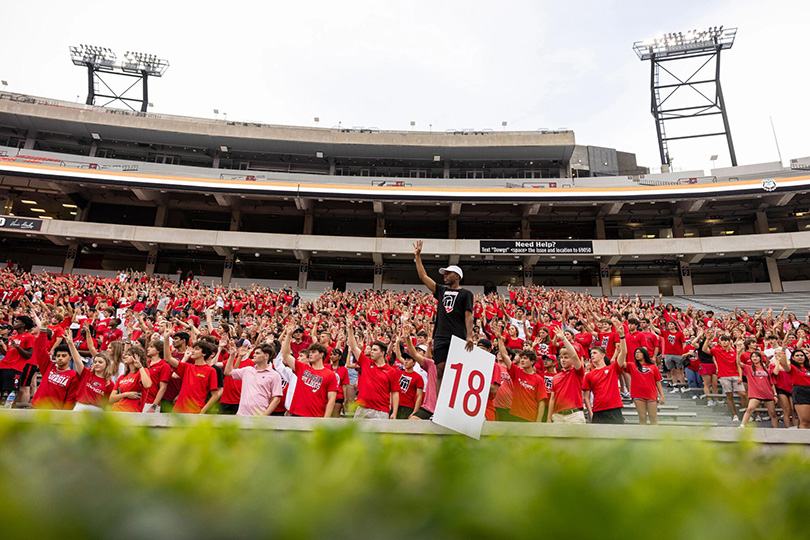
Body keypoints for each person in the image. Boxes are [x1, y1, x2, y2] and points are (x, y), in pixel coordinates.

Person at [413, 240, 475, 381]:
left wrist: (469, 336)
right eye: (444, 274)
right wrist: (417, 256)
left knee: (455, 371)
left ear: (457, 276)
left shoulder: (466, 294)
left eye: (448, 273)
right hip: (440, 336)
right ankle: (439, 402)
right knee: (439, 371)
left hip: (457, 336)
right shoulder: (441, 290)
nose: (445, 276)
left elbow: (468, 316)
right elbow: (423, 277)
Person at [346, 317, 399, 419]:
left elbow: (395, 393)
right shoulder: (366, 362)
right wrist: (349, 328)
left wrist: (394, 412)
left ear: (382, 353)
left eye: (375, 350)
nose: (372, 351)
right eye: (372, 349)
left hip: (381, 411)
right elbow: (354, 347)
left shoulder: (391, 371)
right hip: (362, 408)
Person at [281, 322, 338, 418]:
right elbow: (286, 354)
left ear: (321, 355)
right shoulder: (302, 368)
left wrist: (326, 419)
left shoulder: (330, 375)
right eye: (310, 352)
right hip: (297, 414)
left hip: (316, 417)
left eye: (314, 352)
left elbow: (331, 399)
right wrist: (288, 335)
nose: (310, 354)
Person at [583, 319, 627, 424]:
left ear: (603, 355)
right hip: (598, 410)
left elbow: (623, 353)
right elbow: (586, 397)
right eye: (591, 353)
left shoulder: (612, 368)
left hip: (614, 408)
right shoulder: (589, 375)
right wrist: (591, 412)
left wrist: (622, 336)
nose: (592, 355)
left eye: (595, 353)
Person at [224, 340, 283, 416]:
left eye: (257, 353)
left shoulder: (274, 375)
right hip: (241, 416)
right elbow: (228, 372)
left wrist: (264, 416)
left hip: (259, 418)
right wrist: (232, 355)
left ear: (266, 356)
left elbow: (276, 399)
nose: (254, 355)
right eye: (254, 353)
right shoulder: (247, 370)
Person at [496, 334, 547, 422]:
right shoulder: (517, 372)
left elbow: (541, 402)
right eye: (521, 358)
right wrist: (499, 338)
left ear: (532, 362)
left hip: (531, 417)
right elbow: (504, 355)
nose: (522, 360)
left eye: (525, 358)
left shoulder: (539, 379)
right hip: (514, 415)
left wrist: (538, 421)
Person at [162, 337, 221, 414]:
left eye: (196, 349)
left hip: (195, 411)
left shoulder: (211, 370)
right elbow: (168, 359)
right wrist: (166, 338)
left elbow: (215, 396)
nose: (192, 351)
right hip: (178, 411)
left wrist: (202, 411)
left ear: (204, 353)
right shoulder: (187, 367)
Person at [702, 331, 747, 422]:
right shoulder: (717, 350)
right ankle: (734, 415)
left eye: (726, 340)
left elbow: (738, 365)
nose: (725, 342)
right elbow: (704, 350)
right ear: (720, 342)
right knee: (729, 396)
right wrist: (707, 339)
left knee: (743, 394)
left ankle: (746, 412)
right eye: (722, 341)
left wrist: (740, 377)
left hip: (735, 375)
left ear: (729, 342)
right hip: (724, 376)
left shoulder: (734, 352)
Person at [66, 334, 114, 411]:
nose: (97, 364)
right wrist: (71, 344)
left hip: (97, 410)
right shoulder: (86, 373)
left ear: (106, 365)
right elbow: (77, 360)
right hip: (80, 407)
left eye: (100, 362)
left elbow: (108, 404)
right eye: (95, 362)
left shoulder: (109, 383)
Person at [548, 327, 586, 424]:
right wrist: (549, 418)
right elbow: (552, 399)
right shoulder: (555, 377)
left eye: (566, 357)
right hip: (558, 416)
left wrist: (564, 339)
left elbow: (574, 355)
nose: (563, 360)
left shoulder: (577, 372)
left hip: (575, 415)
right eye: (561, 358)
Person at [624, 347, 665, 425]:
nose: (637, 354)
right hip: (638, 395)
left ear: (644, 354)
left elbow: (658, 382)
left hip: (651, 395)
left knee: (653, 417)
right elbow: (621, 363)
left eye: (639, 352)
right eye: (636, 353)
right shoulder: (632, 365)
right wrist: (621, 351)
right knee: (642, 417)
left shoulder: (653, 367)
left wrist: (662, 396)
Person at [0, 315, 35, 406]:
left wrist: (17, 347)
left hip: (15, 368)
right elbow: (8, 354)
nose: (14, 323)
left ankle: (10, 411)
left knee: (11, 392)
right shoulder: (13, 337)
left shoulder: (29, 337)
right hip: (3, 365)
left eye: (17, 321)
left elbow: (29, 355)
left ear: (23, 324)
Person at [739, 351, 779, 428]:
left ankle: (776, 429)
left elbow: (771, 383)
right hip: (755, 393)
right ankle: (742, 425)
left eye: (756, 356)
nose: (755, 358)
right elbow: (738, 363)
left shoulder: (766, 370)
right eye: (753, 357)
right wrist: (738, 353)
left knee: (772, 413)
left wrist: (775, 394)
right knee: (750, 409)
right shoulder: (749, 368)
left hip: (768, 393)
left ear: (760, 358)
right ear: (750, 359)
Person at [109, 346, 152, 412]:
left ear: (137, 357)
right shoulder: (122, 377)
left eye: (129, 355)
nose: (125, 356)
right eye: (126, 355)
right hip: (116, 410)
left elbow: (147, 385)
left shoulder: (142, 371)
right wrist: (126, 394)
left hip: (132, 413)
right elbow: (111, 399)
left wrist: (140, 367)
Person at [393, 334, 425, 419]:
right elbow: (398, 355)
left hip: (407, 407)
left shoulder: (418, 377)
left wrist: (415, 412)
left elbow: (419, 396)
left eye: (409, 360)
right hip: (395, 406)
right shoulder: (399, 373)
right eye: (405, 359)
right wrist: (397, 342)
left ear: (414, 362)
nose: (406, 362)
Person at [777, 348, 810, 429]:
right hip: (801, 392)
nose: (800, 357)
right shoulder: (792, 368)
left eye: (802, 355)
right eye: (797, 356)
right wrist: (783, 350)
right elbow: (784, 364)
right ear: (793, 358)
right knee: (805, 421)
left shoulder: (808, 368)